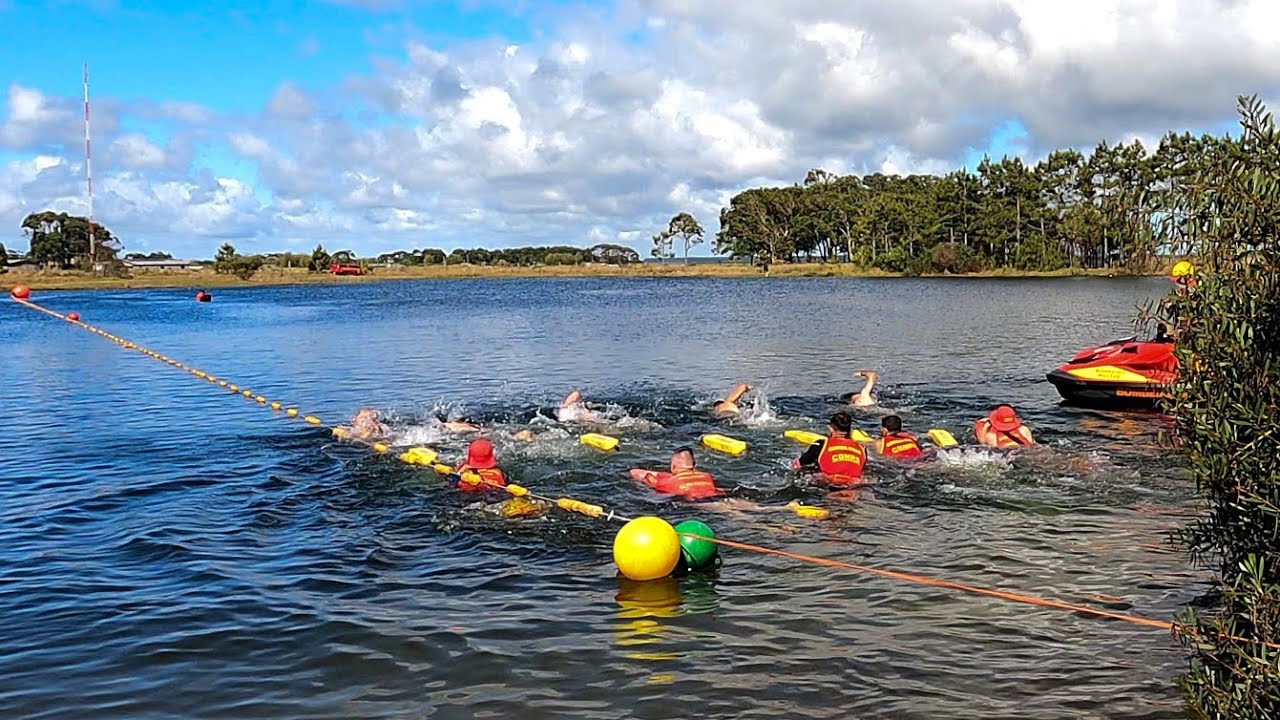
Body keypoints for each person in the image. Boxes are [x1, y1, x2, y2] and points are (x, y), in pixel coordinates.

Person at [793, 412, 867, 486]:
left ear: (831, 428)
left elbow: (799, 464)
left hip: (828, 484)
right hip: (854, 486)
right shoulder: (861, 448)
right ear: (849, 430)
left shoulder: (821, 444)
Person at [629, 446, 723, 501]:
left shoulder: (670, 482)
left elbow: (635, 472)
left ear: (673, 466)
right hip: (716, 498)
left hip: (700, 503)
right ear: (693, 465)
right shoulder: (707, 476)